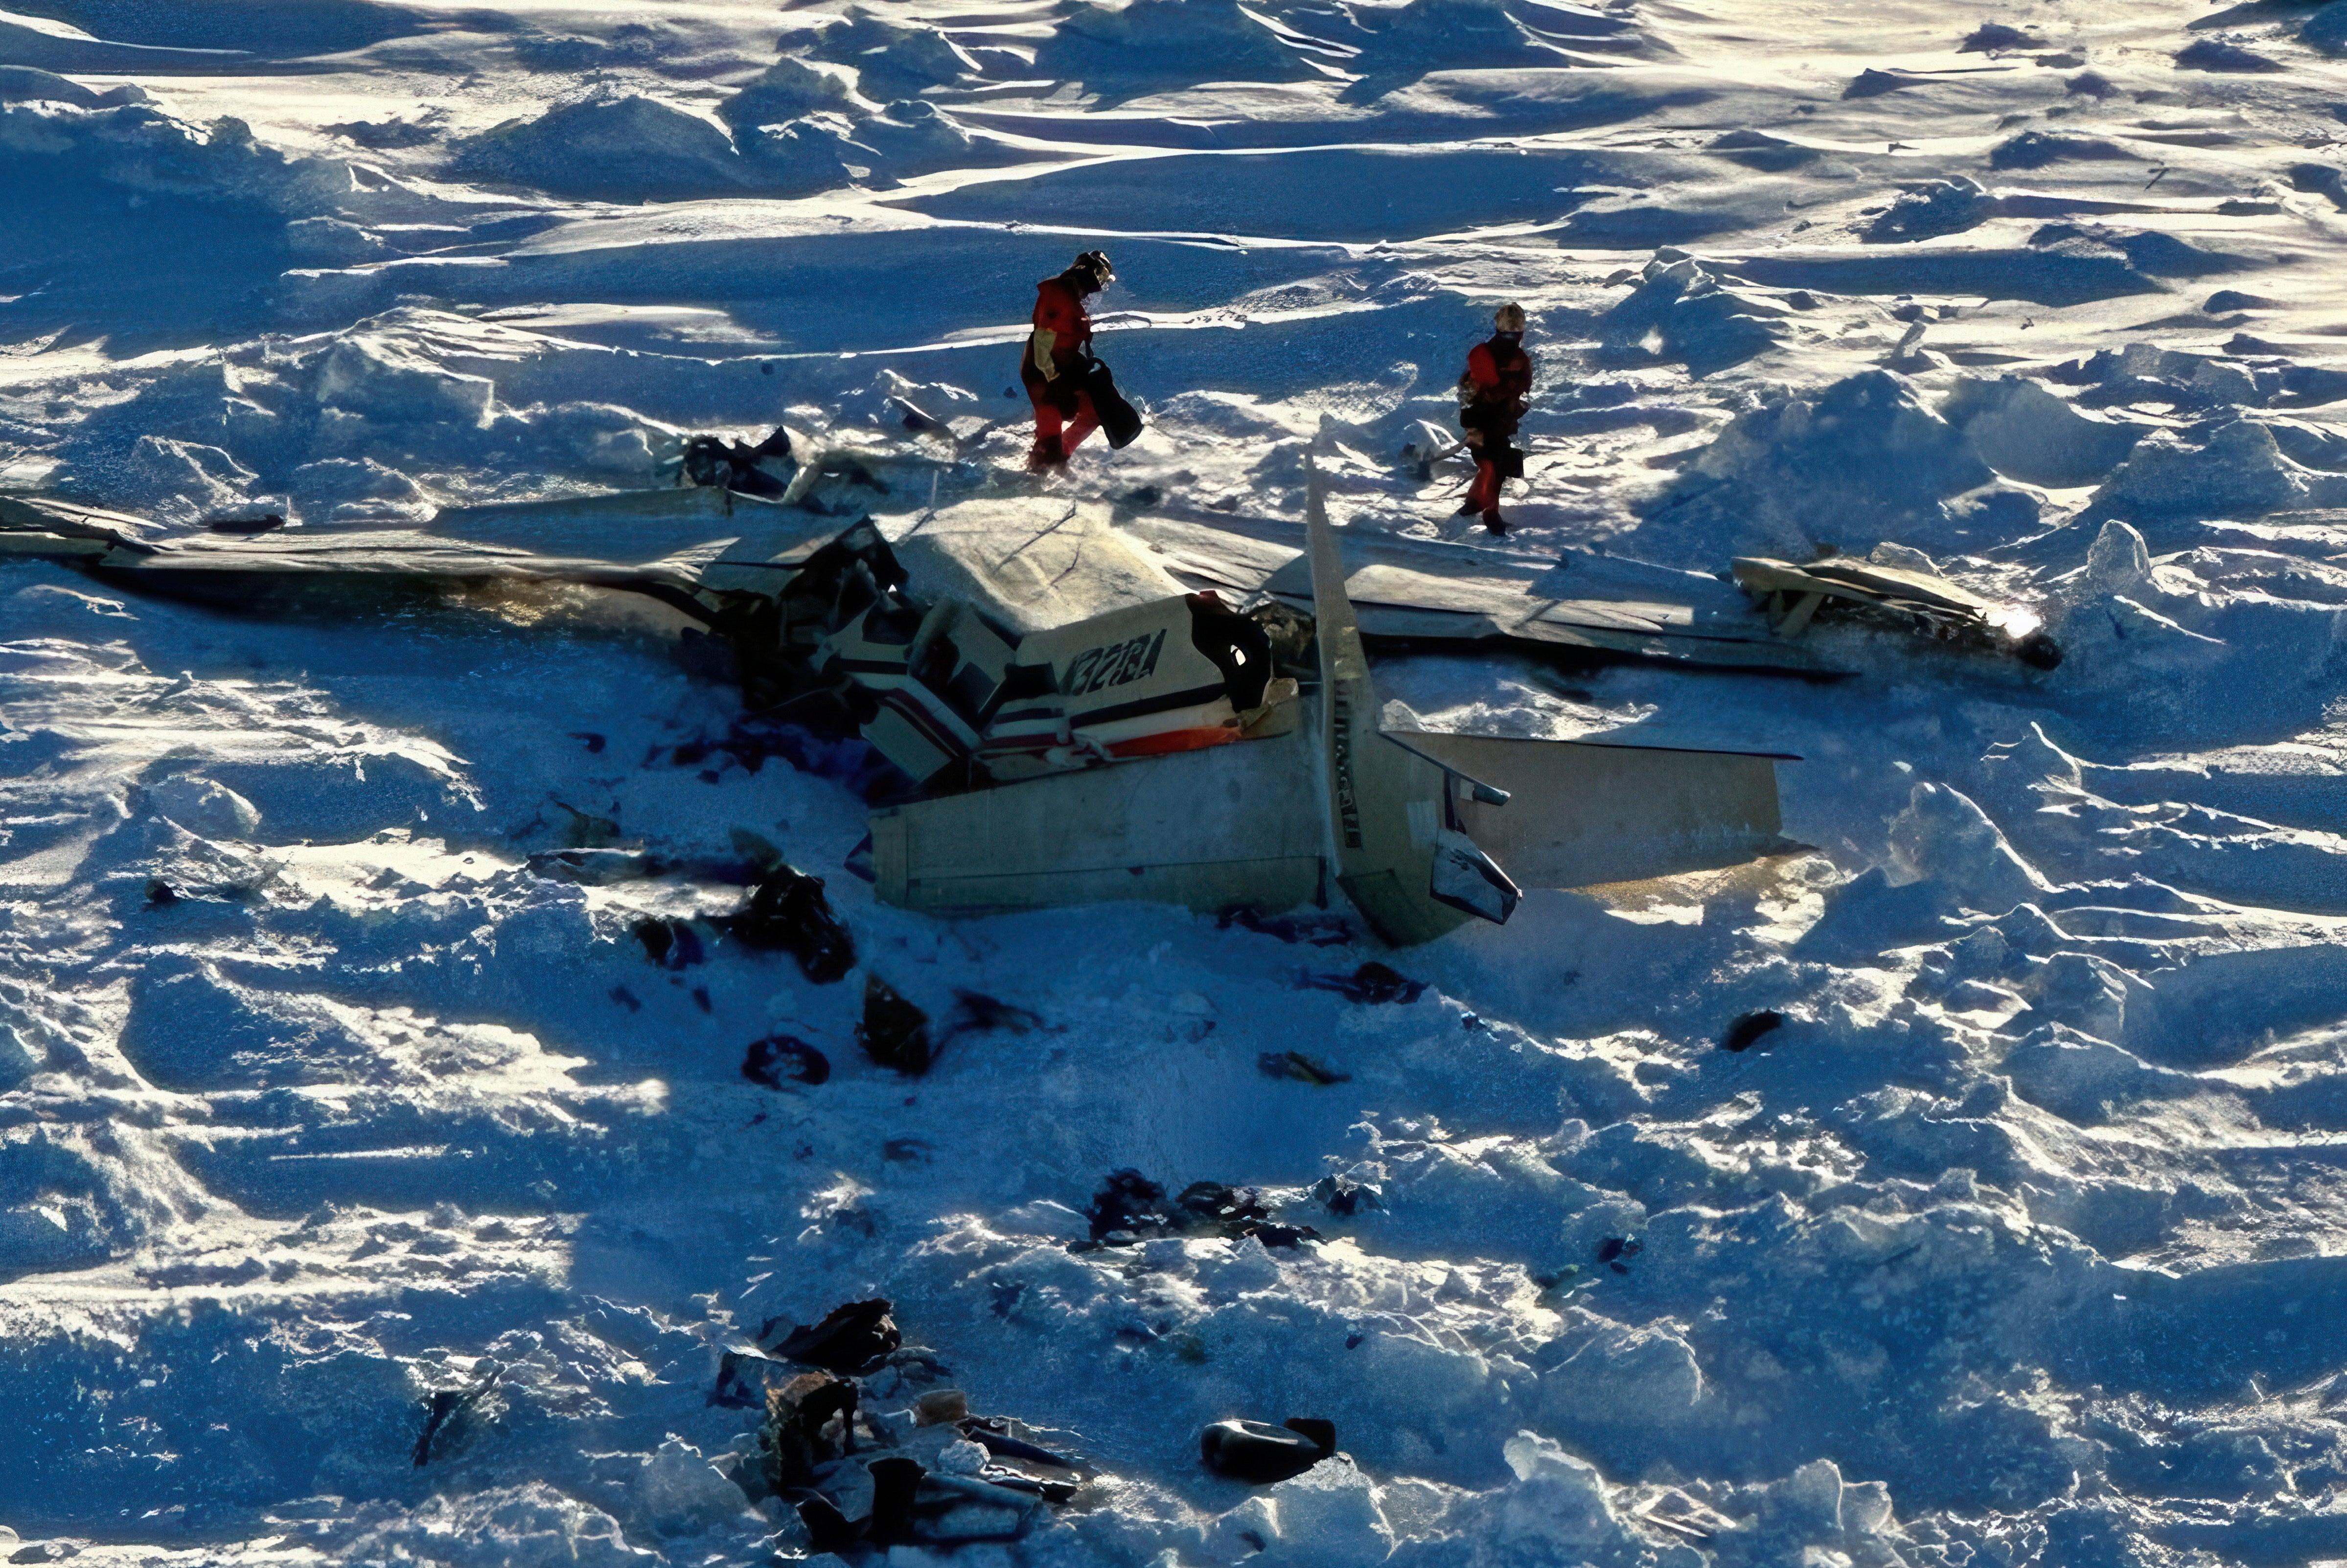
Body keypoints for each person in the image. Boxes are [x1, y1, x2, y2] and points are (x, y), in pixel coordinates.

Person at [1022, 250, 1115, 471]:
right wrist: (1055, 380)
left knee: (1093, 412)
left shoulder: (1071, 295)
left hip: (1062, 370)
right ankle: (1040, 471)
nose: (1101, 287)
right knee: (1050, 432)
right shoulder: (1058, 295)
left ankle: (1058, 457)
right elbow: (1043, 340)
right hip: (1044, 376)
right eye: (1101, 278)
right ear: (1090, 274)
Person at [1455, 302, 1533, 534]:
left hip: (1488, 421)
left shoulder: (1483, 353)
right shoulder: (1509, 357)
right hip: (1485, 422)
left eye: (1514, 334)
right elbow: (1520, 387)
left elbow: (1520, 388)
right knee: (1493, 467)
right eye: (1512, 333)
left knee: (1492, 465)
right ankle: (1491, 513)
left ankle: (1474, 502)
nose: (1513, 338)